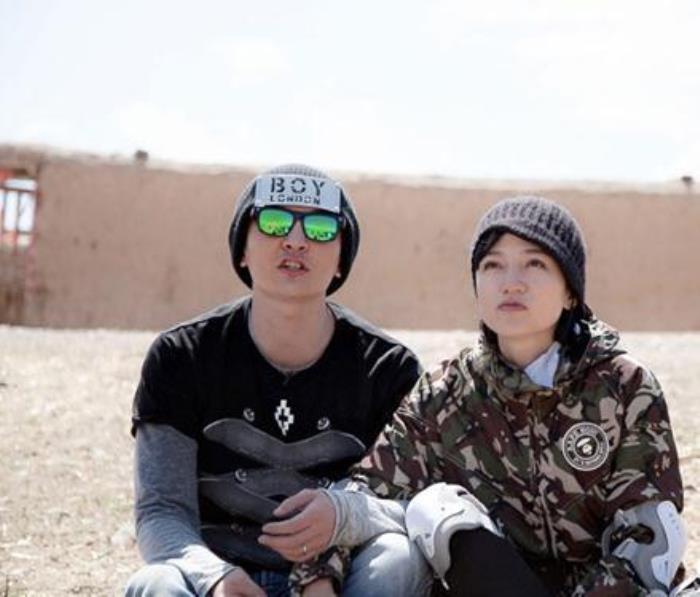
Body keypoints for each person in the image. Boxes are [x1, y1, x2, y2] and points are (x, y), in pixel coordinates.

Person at [261, 195, 693, 596]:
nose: (511, 283)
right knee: (434, 510)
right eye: (492, 265)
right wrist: (318, 573)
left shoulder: (623, 387)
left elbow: (645, 536)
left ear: (570, 293)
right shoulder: (445, 394)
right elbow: (370, 492)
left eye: (535, 264)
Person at [124, 164, 429, 597]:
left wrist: (344, 516)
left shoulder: (388, 368)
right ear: (242, 250)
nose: (296, 240)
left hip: (336, 584)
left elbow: (413, 507)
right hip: (218, 580)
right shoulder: (180, 356)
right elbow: (161, 510)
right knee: (154, 583)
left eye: (321, 228)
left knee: (400, 559)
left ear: (341, 260)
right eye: (273, 221)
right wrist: (214, 577)